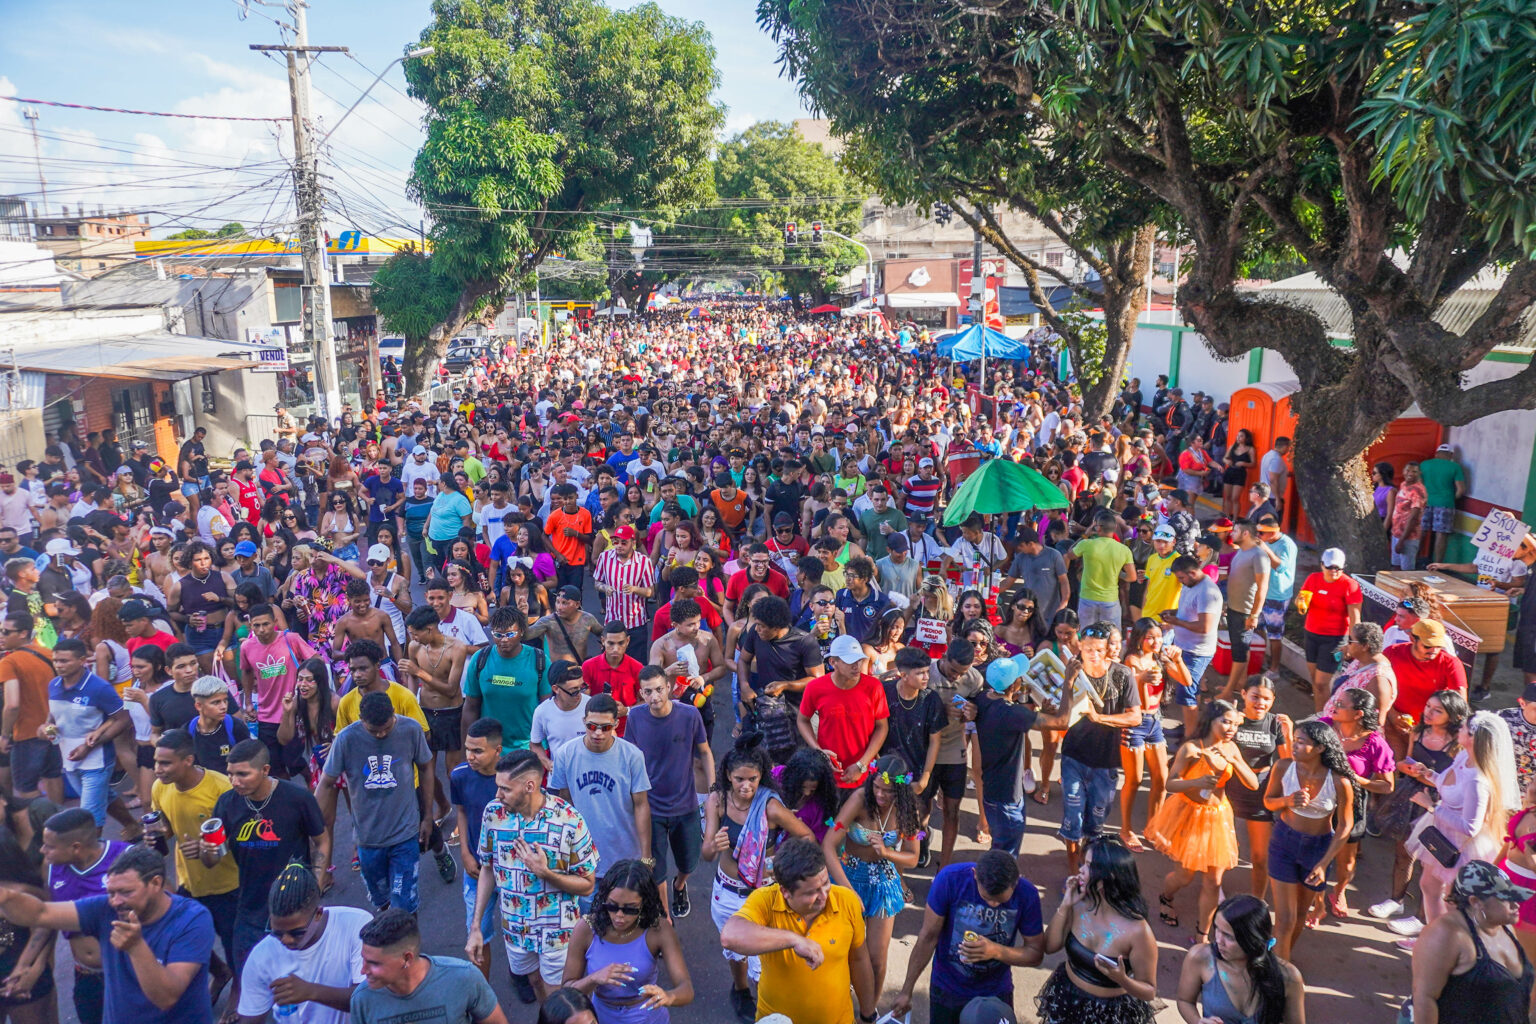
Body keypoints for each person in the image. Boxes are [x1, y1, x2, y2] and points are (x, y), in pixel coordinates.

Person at [0, 844, 215, 1024]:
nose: (116, 901)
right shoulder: (105, 909)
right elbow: (41, 913)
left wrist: (136, 947)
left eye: (126, 892)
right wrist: (7, 896)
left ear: (156, 883)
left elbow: (166, 997)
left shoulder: (192, 919)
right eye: (111, 892)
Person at [468, 748, 598, 1005]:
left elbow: (587, 885)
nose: (497, 795)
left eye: (505, 788)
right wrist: (475, 928)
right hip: (515, 930)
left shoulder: (569, 821)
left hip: (557, 934)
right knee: (535, 983)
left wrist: (545, 873)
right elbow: (487, 868)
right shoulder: (494, 813)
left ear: (529, 786)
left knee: (559, 1000)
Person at [700, 737, 814, 1023]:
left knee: (762, 963)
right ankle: (739, 992)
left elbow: (806, 836)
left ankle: (766, 1008)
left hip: (763, 895)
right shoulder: (717, 800)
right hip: (726, 892)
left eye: (753, 778)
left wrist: (775, 865)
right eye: (739, 779)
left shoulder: (770, 807)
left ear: (761, 775)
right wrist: (714, 844)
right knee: (734, 949)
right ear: (728, 775)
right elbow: (706, 855)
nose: (746, 786)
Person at [720, 836, 877, 1024]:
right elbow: (730, 936)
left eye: (826, 883)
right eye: (811, 892)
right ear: (785, 891)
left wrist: (868, 1014)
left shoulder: (847, 901)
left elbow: (859, 960)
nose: (823, 896)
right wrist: (794, 939)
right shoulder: (765, 900)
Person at [204, 738, 328, 974]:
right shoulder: (227, 803)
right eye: (230, 774)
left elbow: (321, 840)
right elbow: (213, 859)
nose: (234, 781)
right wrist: (206, 852)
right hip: (249, 904)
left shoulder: (297, 798)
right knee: (249, 969)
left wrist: (317, 884)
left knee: (302, 969)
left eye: (242, 774)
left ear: (265, 770)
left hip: (294, 903)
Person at [1145, 700, 1260, 943]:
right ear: (1211, 721)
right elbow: (1170, 783)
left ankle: (1202, 935)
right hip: (1189, 816)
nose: (1231, 728)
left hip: (1218, 818)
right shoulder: (1191, 749)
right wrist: (1195, 782)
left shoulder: (1231, 749)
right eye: (1225, 721)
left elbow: (1254, 784)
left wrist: (1237, 762)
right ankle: (1166, 897)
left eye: (1235, 724)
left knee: (1213, 881)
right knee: (1184, 876)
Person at [318, 691, 439, 914]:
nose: (382, 734)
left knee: (404, 907)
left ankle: (407, 946)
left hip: (405, 835)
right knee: (382, 901)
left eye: (387, 727)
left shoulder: (411, 730)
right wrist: (312, 820)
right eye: (375, 731)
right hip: (368, 839)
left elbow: (426, 768)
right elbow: (326, 783)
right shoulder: (346, 739)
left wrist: (428, 816)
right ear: (361, 720)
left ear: (393, 714)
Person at [892, 848, 1045, 1024]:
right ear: (974, 875)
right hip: (947, 990)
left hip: (994, 993)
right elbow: (928, 937)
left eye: (1000, 901)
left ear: (1016, 881)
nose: (993, 904)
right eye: (986, 897)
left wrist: (996, 951)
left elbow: (1035, 953)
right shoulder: (950, 880)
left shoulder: (1027, 894)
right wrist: (906, 991)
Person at [149, 729, 239, 1005]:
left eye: (165, 763)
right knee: (181, 936)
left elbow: (241, 837)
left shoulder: (221, 788)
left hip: (229, 884)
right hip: (188, 882)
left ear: (188, 760)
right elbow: (166, 828)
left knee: (233, 943)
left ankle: (239, 993)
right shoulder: (159, 787)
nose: (157, 769)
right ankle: (219, 972)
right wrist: (155, 835)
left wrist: (206, 848)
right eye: (155, 762)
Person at [1406, 710, 1519, 930]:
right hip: (1442, 835)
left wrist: (1431, 806)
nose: (1459, 730)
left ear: (1474, 738)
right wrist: (1429, 774)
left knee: (1453, 903)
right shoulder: (1463, 757)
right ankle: (1434, 937)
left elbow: (1470, 828)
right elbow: (1449, 787)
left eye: (1465, 728)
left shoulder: (1478, 781)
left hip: (1461, 848)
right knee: (1429, 885)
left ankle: (1450, 949)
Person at [823, 753, 922, 997]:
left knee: (877, 959)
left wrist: (888, 853)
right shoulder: (859, 799)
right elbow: (829, 844)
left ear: (900, 789)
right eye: (876, 787)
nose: (880, 794)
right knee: (843, 952)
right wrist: (846, 890)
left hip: (884, 882)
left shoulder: (908, 811)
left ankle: (869, 1013)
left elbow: (913, 857)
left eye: (888, 791)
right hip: (849, 876)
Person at [1261, 721, 1357, 960]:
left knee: (1301, 914)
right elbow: (1268, 801)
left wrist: (1324, 863)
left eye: (1302, 742)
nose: (1294, 745)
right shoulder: (1283, 767)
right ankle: (1280, 972)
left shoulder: (1339, 782)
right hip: (1284, 842)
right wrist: (1287, 801)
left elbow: (1345, 825)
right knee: (1285, 919)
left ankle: (1280, 959)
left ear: (1320, 749)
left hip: (1319, 849)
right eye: (1295, 739)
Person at [1037, 836, 1158, 1024]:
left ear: (1109, 876)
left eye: (1088, 866)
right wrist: (1066, 904)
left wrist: (1123, 979)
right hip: (1067, 998)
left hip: (1108, 1014)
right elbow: (1050, 946)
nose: (1081, 871)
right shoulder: (1078, 905)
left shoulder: (1138, 931)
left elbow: (1149, 991)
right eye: (1083, 864)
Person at [624, 666, 712, 920]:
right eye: (648, 691)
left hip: (686, 806)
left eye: (659, 689)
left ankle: (680, 885)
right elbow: (631, 757)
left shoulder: (690, 715)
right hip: (650, 809)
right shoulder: (635, 717)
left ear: (670, 688)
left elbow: (704, 752)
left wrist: (713, 790)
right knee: (655, 868)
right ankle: (665, 916)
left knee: (689, 863)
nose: (654, 696)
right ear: (641, 693)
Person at [234, 863, 370, 1024]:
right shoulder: (261, 957)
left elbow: (369, 1000)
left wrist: (311, 991)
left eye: (296, 933)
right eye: (276, 932)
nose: (286, 940)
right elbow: (251, 1018)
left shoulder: (356, 925)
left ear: (318, 914)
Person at [561, 859, 694, 1022]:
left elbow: (686, 989)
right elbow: (566, 990)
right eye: (612, 906)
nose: (619, 916)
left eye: (630, 909)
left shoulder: (658, 929)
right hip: (601, 1017)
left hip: (647, 1017)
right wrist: (594, 978)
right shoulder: (586, 928)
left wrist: (669, 996)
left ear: (644, 904)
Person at [1056, 623, 1142, 874]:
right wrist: (1067, 684)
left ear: (1108, 650)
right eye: (1088, 648)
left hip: (1106, 763)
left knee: (1095, 825)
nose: (1094, 654)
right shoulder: (1069, 670)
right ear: (1079, 647)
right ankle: (1074, 874)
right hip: (1073, 757)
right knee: (1072, 820)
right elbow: (1054, 709)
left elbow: (1135, 717)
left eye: (1100, 649)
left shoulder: (1122, 674)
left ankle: (1087, 867)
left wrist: (1099, 718)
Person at [33, 808, 132, 1024]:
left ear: (75, 847)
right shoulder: (50, 868)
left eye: (49, 846)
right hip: (87, 977)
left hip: (130, 973)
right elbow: (47, 917)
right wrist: (32, 964)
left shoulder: (127, 858)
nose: (42, 850)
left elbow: (168, 908)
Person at [1410, 860, 1534, 1024]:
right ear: (1476, 902)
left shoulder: (1506, 928)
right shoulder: (1446, 934)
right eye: (1506, 898)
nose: (1516, 905)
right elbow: (1425, 998)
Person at [551, 694, 653, 877]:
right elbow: (564, 803)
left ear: (615, 724)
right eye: (592, 726)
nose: (598, 733)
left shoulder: (632, 756)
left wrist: (646, 856)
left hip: (624, 859)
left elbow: (641, 805)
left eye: (605, 727)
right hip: (582, 858)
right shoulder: (565, 754)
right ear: (584, 721)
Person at [353, 909, 506, 1024]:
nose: (363, 970)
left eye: (374, 963)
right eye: (364, 960)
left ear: (407, 959)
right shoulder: (362, 1000)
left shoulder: (464, 977)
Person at [1174, 894, 1307, 1024]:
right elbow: (1185, 1000)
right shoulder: (1200, 957)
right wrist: (1198, 1022)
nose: (1219, 940)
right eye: (1217, 929)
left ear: (1253, 940)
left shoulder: (1288, 976)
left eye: (1229, 937)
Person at [796, 634, 890, 792]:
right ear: (833, 662)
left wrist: (861, 764)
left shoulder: (874, 687)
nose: (856, 666)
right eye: (849, 661)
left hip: (864, 774)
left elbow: (882, 727)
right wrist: (819, 751)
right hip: (828, 773)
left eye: (859, 660)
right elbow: (802, 720)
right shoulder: (815, 688)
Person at [450, 717, 503, 978]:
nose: (470, 756)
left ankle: (524, 978)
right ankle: (482, 996)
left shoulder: (513, 778)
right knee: (478, 932)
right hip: (476, 868)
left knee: (521, 931)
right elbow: (461, 810)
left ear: (498, 751)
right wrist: (465, 853)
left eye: (478, 751)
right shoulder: (459, 776)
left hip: (510, 869)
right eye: (468, 749)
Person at [460, 605, 549, 751]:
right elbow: (470, 707)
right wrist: (468, 750)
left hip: (528, 748)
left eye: (510, 634)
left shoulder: (539, 660)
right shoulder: (480, 659)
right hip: (489, 749)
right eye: (498, 635)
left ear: (521, 631)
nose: (504, 640)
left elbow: (547, 709)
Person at [0, 610, 64, 805]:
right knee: (53, 776)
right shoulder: (48, 653)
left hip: (27, 733)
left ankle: (41, 826)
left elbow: (12, 704)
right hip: (52, 726)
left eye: (6, 632)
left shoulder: (8, 662)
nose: (1, 636)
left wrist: (4, 735)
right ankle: (61, 825)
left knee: (25, 788)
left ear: (22, 633)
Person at [1160, 555, 1222, 736]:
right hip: (1183, 646)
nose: (1180, 582)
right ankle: (1191, 727)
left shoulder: (1207, 592)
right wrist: (1172, 613)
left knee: (1186, 693)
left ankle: (1190, 737)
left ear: (1193, 573)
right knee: (1190, 689)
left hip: (1197, 651)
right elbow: (1187, 611)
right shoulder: (1191, 585)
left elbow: (1205, 627)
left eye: (1181, 578)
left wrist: (1176, 622)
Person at [1297, 548, 1363, 712]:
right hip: (1312, 633)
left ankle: (1324, 719)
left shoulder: (1349, 585)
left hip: (1334, 638)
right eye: (1330, 567)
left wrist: (1352, 643)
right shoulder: (1313, 579)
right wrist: (1299, 602)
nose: (1334, 571)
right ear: (1322, 565)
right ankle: (1320, 712)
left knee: (1321, 683)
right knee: (1315, 679)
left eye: (1338, 568)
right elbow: (1301, 599)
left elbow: (1355, 617)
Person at [1069, 512, 1135, 630]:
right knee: (1111, 638)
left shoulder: (1086, 544)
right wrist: (1117, 572)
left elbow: (1070, 554)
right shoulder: (1124, 550)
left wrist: (1085, 535)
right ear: (1114, 528)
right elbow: (1132, 577)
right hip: (1110, 600)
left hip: (1087, 598)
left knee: (1086, 636)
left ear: (1097, 527)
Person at [1420, 443, 1468, 564]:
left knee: (1420, 531)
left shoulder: (1424, 464)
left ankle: (1413, 560)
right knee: (1441, 534)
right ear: (1451, 455)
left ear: (1437, 453)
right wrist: (1451, 498)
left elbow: (1418, 486)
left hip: (1425, 502)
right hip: (1445, 503)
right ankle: (1437, 565)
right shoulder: (1455, 467)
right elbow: (1461, 489)